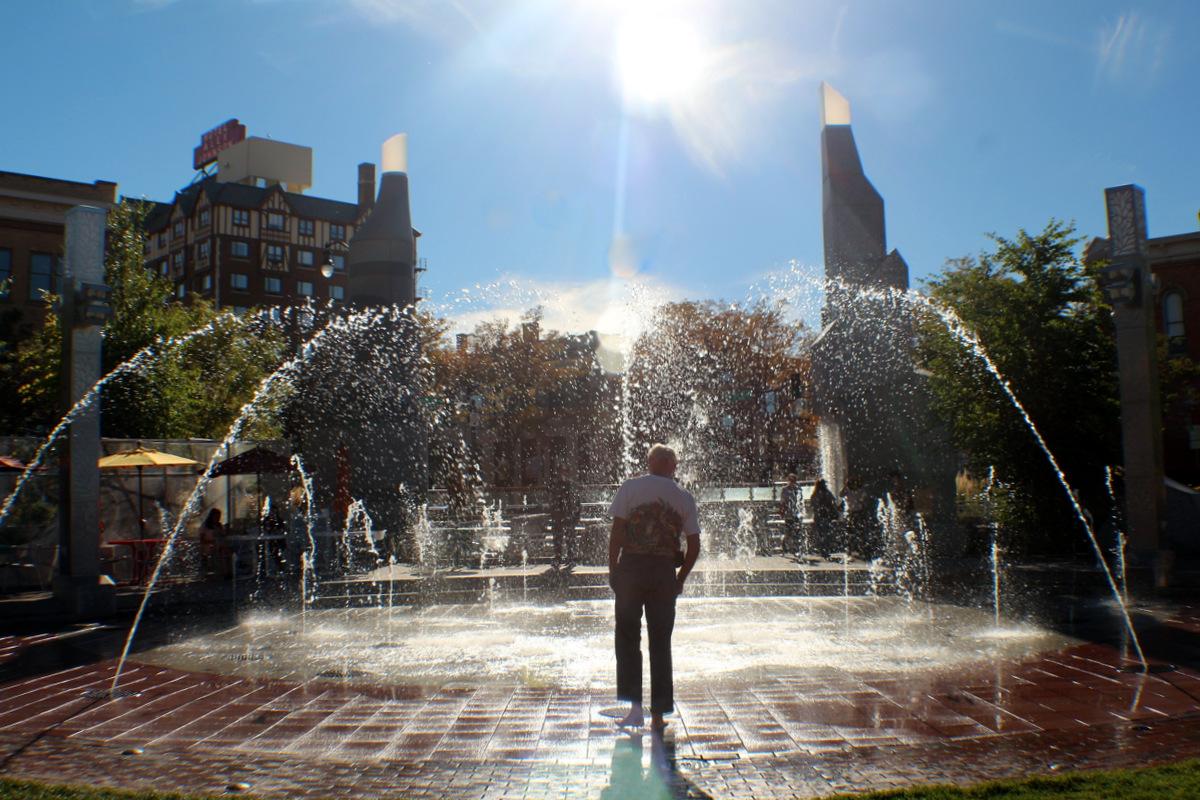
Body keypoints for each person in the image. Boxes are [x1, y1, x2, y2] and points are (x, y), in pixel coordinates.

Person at [608, 443, 701, 733]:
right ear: (671, 465)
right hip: (663, 573)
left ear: (650, 463)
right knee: (661, 642)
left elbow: (617, 532)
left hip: (632, 569)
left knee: (627, 637)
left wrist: (614, 570)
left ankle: (634, 708)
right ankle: (659, 713)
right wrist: (680, 578)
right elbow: (694, 545)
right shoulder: (683, 497)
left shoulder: (630, 487)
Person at [808, 478, 839, 558]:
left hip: (818, 516)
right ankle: (825, 549)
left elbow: (812, 504)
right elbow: (833, 500)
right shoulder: (826, 493)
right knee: (825, 533)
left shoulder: (815, 493)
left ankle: (822, 548)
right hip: (825, 516)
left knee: (821, 533)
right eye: (824, 484)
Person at [199, 508, 228, 578]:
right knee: (215, 550)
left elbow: (223, 534)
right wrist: (211, 541)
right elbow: (202, 539)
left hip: (218, 545)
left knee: (225, 550)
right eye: (216, 516)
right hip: (208, 545)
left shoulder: (219, 525)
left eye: (219, 516)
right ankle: (217, 571)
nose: (217, 518)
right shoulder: (205, 526)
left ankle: (225, 571)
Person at [778, 474, 802, 555]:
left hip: (796, 514)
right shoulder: (784, 489)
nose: (792, 482)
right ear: (788, 481)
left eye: (794, 481)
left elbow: (800, 501)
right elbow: (782, 502)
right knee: (789, 532)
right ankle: (784, 545)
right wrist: (782, 512)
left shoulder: (798, 489)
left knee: (796, 531)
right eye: (791, 481)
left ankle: (794, 548)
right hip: (788, 514)